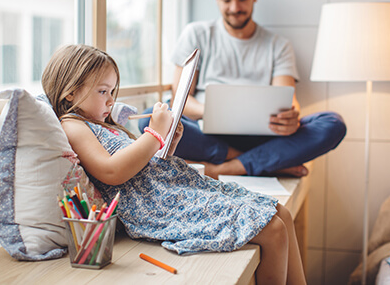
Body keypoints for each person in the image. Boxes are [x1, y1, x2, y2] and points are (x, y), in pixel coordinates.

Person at [41, 44, 307, 284]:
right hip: (158, 207)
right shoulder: (73, 125)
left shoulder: (103, 125)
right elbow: (112, 172)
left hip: (174, 189)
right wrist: (154, 134)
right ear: (70, 93)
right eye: (102, 91)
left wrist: (168, 142)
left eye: (112, 91)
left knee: (280, 213)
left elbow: (140, 166)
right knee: (272, 229)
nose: (111, 100)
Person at [139, 0, 346, 179]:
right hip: (206, 131)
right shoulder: (196, 34)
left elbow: (288, 101)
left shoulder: (278, 45)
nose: (235, 8)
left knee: (332, 124)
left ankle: (222, 168)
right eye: (226, 0)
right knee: (148, 118)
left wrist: (290, 119)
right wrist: (212, 111)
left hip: (262, 135)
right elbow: (181, 100)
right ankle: (263, 161)